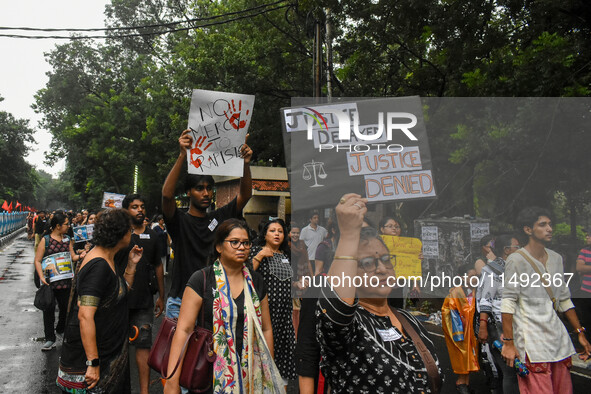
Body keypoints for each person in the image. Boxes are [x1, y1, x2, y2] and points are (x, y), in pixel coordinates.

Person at [317, 194, 442, 393]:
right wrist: (349, 234)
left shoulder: (411, 322)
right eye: (367, 263)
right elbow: (335, 308)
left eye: (386, 259)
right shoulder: (347, 329)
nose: (382, 269)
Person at [163, 219, 284, 394]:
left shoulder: (256, 282)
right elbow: (183, 330)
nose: (241, 247)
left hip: (250, 373)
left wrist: (268, 373)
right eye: (234, 242)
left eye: (246, 243)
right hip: (208, 372)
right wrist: (172, 380)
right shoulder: (201, 280)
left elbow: (266, 329)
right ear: (219, 247)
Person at [161, 129, 253, 320]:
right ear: (188, 192)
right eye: (199, 188)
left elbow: (245, 195)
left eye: (209, 189)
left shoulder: (219, 218)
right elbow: (167, 195)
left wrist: (245, 164)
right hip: (181, 302)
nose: (205, 193)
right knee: (180, 351)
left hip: (213, 300)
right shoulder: (179, 221)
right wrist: (182, 156)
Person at [501, 207, 591, 394]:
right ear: (528, 230)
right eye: (543, 224)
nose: (549, 228)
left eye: (550, 224)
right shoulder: (516, 260)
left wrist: (580, 332)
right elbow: (508, 301)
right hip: (532, 344)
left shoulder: (556, 259)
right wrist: (509, 343)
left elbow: (564, 299)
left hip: (558, 341)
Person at [56, 209, 142, 393]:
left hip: (109, 353)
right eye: (129, 230)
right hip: (93, 364)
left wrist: (131, 265)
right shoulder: (99, 266)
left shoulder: (107, 259)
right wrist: (93, 362)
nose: (132, 234)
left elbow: (119, 291)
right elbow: (85, 316)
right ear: (120, 234)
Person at [119, 194, 165, 394]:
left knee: (143, 345)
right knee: (118, 349)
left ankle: (144, 391)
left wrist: (161, 296)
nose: (140, 210)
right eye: (134, 207)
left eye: (142, 207)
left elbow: (158, 266)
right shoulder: (119, 235)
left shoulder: (153, 236)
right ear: (125, 210)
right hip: (118, 301)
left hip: (144, 301)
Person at [249, 219, 297, 383]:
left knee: (281, 351)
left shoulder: (287, 255)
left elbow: (288, 281)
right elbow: (245, 274)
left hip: (284, 314)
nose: (277, 234)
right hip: (265, 312)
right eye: (273, 231)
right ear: (265, 234)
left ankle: (278, 385)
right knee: (261, 350)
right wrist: (260, 255)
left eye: (280, 231)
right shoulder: (256, 250)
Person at [34, 212, 86, 351]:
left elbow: (73, 256)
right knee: (48, 310)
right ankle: (50, 338)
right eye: (66, 224)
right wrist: (42, 277)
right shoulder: (46, 240)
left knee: (65, 308)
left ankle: (60, 329)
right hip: (50, 283)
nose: (68, 226)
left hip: (65, 282)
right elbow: (38, 260)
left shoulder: (67, 239)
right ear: (57, 226)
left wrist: (81, 255)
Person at [476, 233, 520, 394]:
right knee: (509, 371)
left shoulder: (517, 269)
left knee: (512, 370)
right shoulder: (492, 270)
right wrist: (483, 326)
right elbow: (485, 300)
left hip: (517, 326)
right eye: (518, 247)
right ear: (507, 250)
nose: (521, 250)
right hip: (498, 326)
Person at [441, 264, 480, 394]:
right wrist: (460, 323)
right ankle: (461, 382)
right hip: (460, 330)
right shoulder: (456, 292)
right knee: (462, 354)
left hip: (472, 330)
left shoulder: (476, 291)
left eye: (476, 276)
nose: (475, 279)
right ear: (463, 278)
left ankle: (466, 383)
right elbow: (449, 311)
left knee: (471, 355)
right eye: (472, 276)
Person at [575, 228, 591, 333]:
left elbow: (583, 268)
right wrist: (584, 269)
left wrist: (587, 268)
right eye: (586, 235)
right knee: (587, 321)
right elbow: (579, 268)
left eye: (589, 235)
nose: (587, 237)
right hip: (586, 292)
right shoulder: (584, 251)